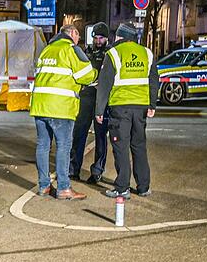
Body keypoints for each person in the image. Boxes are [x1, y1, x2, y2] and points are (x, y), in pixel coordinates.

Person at [30, 24, 97, 201]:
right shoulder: (71, 49)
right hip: (61, 107)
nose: (79, 39)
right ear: (73, 34)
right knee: (63, 146)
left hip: (39, 105)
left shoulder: (47, 50)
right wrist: (97, 73)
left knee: (43, 146)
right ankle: (64, 188)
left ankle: (44, 186)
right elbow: (87, 75)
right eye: (78, 35)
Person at [95, 22, 159, 199]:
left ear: (120, 37)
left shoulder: (114, 53)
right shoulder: (147, 53)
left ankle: (122, 186)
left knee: (120, 147)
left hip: (120, 108)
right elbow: (154, 80)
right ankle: (144, 186)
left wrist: (99, 110)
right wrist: (152, 105)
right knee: (139, 146)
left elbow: (104, 84)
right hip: (140, 109)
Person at [69, 22, 110, 185]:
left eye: (101, 38)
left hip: (101, 100)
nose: (98, 41)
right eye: (95, 38)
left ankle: (97, 171)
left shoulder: (109, 53)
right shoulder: (87, 52)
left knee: (101, 136)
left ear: (107, 38)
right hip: (85, 98)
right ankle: (74, 169)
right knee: (79, 134)